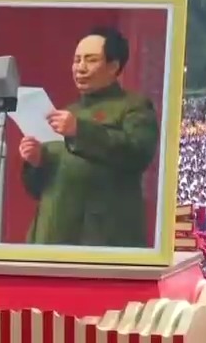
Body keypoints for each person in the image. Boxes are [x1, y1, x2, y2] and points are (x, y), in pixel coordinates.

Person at [16, 27, 161, 248]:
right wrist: (35, 161)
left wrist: (80, 131)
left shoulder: (134, 107)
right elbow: (39, 188)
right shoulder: (66, 113)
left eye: (90, 60)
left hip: (102, 238)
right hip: (51, 236)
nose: (80, 68)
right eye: (77, 60)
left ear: (114, 67)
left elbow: (137, 153)